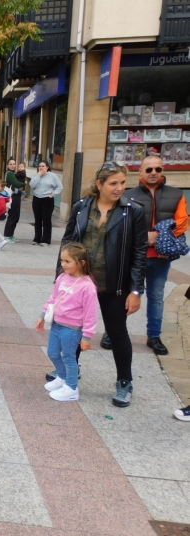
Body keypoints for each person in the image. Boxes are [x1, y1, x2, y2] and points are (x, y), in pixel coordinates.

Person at [50, 162, 147, 407]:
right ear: (99, 184)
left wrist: (136, 290)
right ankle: (71, 373)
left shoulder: (132, 211)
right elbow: (68, 243)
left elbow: (139, 253)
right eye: (113, 183)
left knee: (117, 333)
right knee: (73, 330)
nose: (119, 188)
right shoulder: (82, 208)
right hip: (82, 284)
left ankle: (124, 382)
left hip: (114, 286)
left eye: (123, 183)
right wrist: (61, 276)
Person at [127, 155, 188, 356]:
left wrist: (158, 236)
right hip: (134, 255)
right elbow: (123, 225)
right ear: (140, 172)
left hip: (160, 257)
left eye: (158, 169)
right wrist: (145, 237)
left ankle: (154, 336)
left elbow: (182, 222)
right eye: (149, 169)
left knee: (156, 297)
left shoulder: (176, 194)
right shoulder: (128, 195)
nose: (154, 173)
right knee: (125, 295)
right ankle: (114, 332)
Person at [36, 243, 98, 401]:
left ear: (81, 263)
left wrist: (87, 336)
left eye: (67, 261)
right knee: (53, 353)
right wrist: (43, 315)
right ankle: (62, 377)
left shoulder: (87, 286)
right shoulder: (62, 277)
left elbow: (91, 313)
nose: (63, 264)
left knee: (69, 357)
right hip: (57, 324)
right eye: (62, 260)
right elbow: (53, 298)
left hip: (72, 329)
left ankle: (71, 388)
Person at [30, 160, 63, 246]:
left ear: (47, 167)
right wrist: (38, 176)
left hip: (47, 199)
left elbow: (59, 186)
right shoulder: (36, 175)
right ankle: (37, 239)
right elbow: (32, 185)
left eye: (43, 166)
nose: (41, 168)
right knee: (37, 220)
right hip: (37, 198)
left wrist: (53, 194)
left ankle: (46, 240)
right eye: (40, 166)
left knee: (46, 220)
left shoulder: (52, 176)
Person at [3, 158, 25, 243]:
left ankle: (11, 235)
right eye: (11, 164)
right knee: (12, 216)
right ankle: (7, 235)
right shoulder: (9, 174)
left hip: (16, 196)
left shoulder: (13, 173)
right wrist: (25, 183)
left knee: (16, 216)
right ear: (7, 165)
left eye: (14, 164)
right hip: (12, 196)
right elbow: (17, 184)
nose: (12, 165)